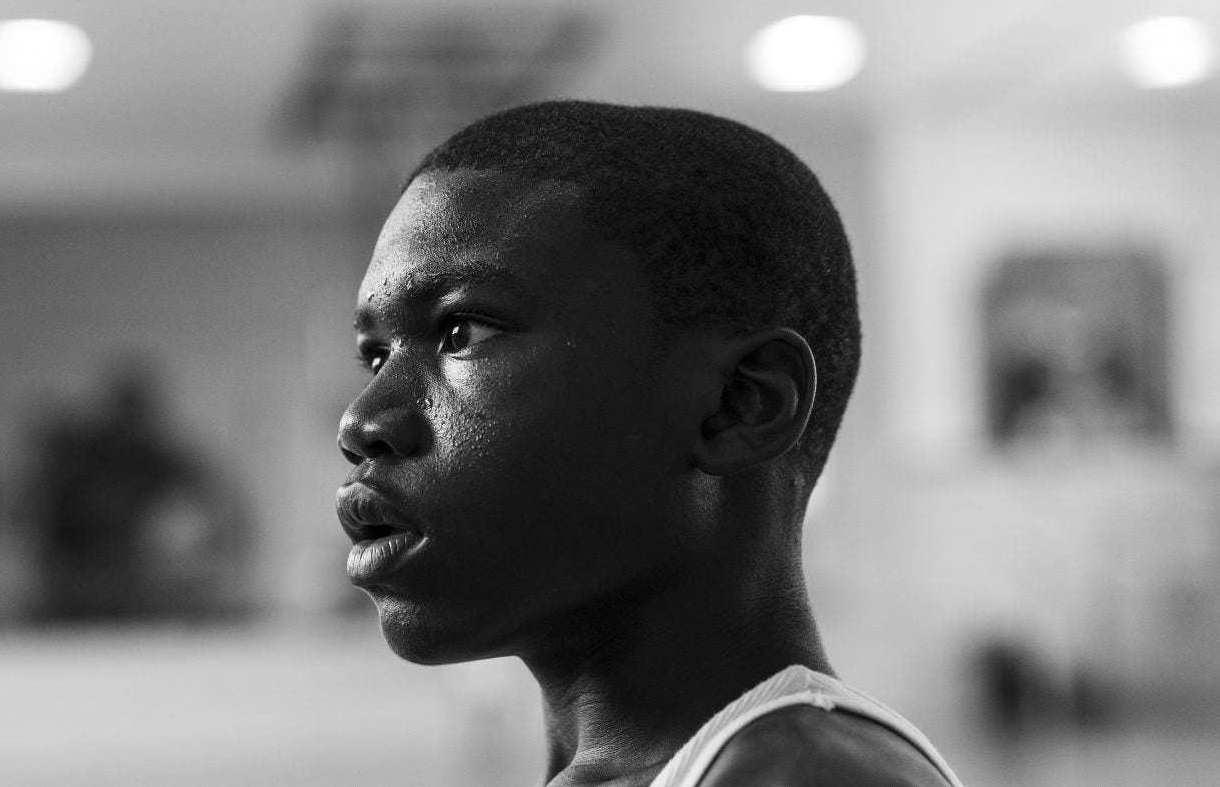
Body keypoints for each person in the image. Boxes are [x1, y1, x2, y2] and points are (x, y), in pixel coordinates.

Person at [336, 100, 964, 787]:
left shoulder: (806, 777)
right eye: (376, 355)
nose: (363, 419)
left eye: (465, 331)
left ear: (737, 405)